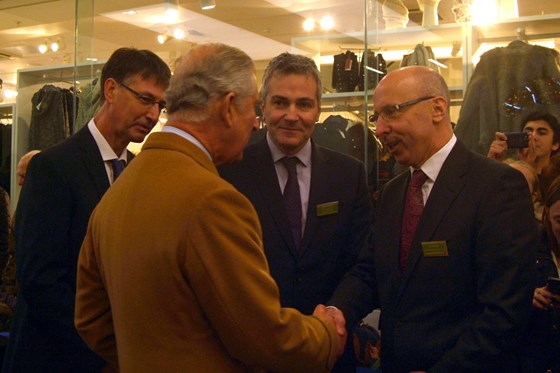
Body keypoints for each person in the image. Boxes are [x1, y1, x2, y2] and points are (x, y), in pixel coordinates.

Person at [74, 43, 346, 373]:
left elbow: (90, 319)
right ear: (229, 107)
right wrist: (325, 334)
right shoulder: (213, 200)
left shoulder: (119, 189)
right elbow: (265, 338)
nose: (254, 125)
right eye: (253, 110)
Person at [329, 66, 537, 372]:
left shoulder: (496, 187)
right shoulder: (392, 194)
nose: (381, 128)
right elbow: (370, 271)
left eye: (392, 112)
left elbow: (505, 311)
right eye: (377, 117)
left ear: (438, 108)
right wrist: (334, 312)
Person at [2, 47, 171, 373]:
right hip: (54, 357)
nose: (153, 115)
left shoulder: (135, 171)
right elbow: (40, 280)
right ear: (110, 90)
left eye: (160, 106)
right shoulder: (54, 166)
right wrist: (101, 349)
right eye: (145, 99)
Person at [218, 52, 372, 371]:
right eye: (280, 102)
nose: (292, 115)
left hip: (330, 348)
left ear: (318, 110)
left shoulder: (349, 174)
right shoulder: (228, 171)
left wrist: (336, 313)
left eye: (303, 104)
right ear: (263, 106)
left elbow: (363, 263)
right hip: (252, 353)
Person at [520, 175, 560, 373]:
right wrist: (527, 297)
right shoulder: (528, 245)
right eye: (559, 220)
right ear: (546, 213)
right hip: (534, 357)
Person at [488, 110, 560, 196]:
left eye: (541, 133)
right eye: (527, 133)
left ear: (555, 144)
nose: (533, 137)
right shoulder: (507, 171)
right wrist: (491, 164)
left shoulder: (556, 182)